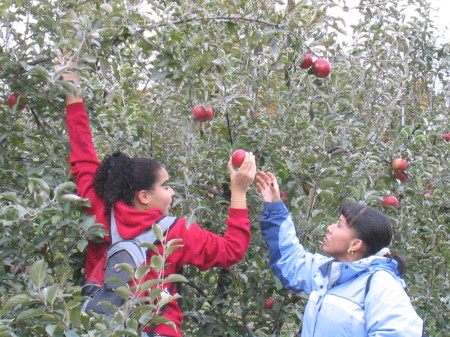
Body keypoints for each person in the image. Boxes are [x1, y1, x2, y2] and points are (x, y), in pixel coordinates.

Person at [61, 60, 257, 337]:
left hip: (99, 330)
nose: (173, 192)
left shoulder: (100, 210)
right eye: (166, 186)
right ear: (144, 196)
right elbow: (231, 250)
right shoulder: (177, 232)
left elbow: (82, 152)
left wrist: (72, 86)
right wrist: (239, 191)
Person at [255, 171, 424, 337]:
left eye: (339, 225)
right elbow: (291, 261)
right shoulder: (328, 273)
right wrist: (275, 206)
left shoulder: (380, 285)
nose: (330, 228)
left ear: (355, 244)